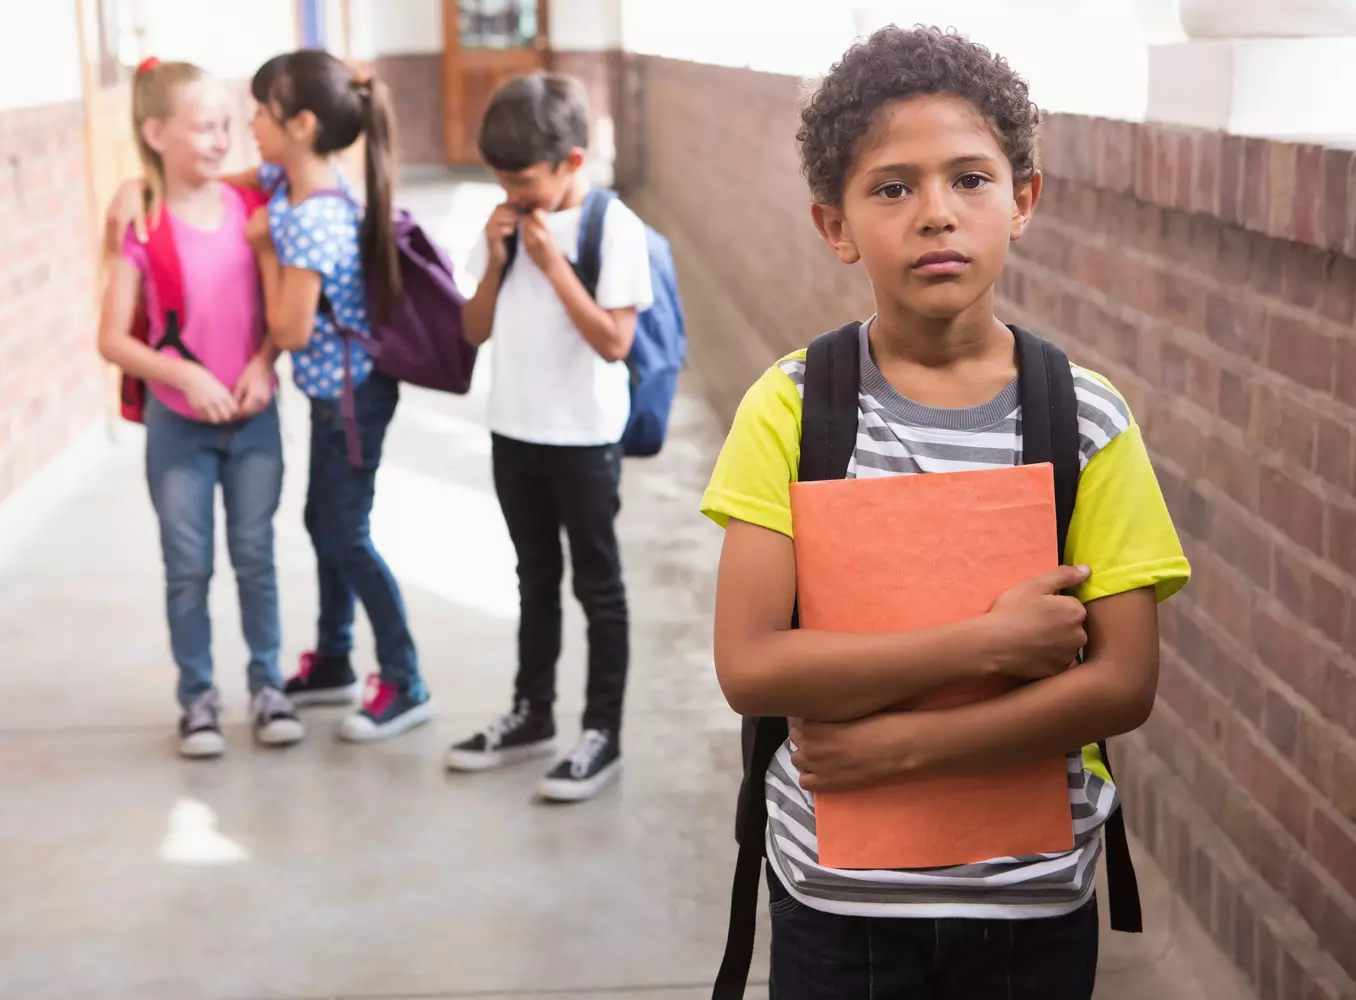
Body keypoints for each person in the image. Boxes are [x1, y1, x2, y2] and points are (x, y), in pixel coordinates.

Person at [700, 26, 1191, 998]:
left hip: (1031, 904)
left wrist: (901, 744)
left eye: (971, 178)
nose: (937, 214)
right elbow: (751, 665)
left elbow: (1124, 682)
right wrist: (989, 641)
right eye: (892, 187)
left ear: (1024, 201)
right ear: (834, 226)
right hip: (840, 904)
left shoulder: (1083, 419)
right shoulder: (794, 409)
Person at [446, 74, 654, 802]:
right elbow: (472, 331)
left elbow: (614, 342)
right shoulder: (500, 222)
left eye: (525, 178)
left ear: (571, 162)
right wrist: (500, 260)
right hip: (514, 429)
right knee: (533, 580)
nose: (511, 190)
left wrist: (551, 266)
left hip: (584, 439)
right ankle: (532, 712)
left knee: (597, 586)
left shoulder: (612, 227)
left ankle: (602, 732)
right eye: (499, 177)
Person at [97, 59, 302, 758]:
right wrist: (183, 375)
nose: (221, 140)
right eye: (204, 127)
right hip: (177, 430)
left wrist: (261, 364)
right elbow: (113, 338)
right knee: (188, 566)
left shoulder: (252, 212)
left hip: (254, 421)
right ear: (155, 132)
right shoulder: (142, 224)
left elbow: (277, 316)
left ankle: (269, 685)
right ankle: (199, 698)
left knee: (255, 554)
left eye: (227, 126)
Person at [244, 50, 434, 743]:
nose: (249, 124)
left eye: (260, 112)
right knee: (324, 524)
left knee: (343, 534)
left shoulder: (313, 217)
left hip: (352, 401)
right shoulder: (296, 179)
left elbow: (291, 330)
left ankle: (406, 678)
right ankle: (332, 660)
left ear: (299, 124)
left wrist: (264, 248)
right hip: (337, 398)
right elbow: (245, 175)